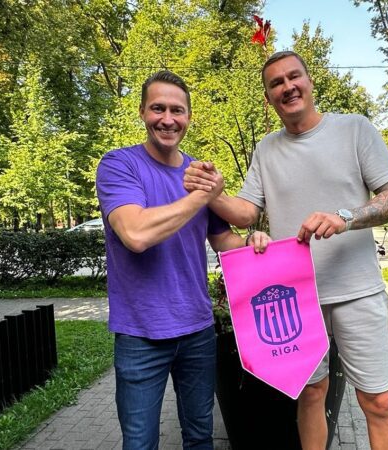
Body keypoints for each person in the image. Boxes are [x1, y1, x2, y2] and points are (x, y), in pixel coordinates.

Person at [184, 51, 388, 450]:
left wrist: (346, 217)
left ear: (309, 81)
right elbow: (247, 212)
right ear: (268, 97)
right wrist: (214, 193)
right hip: (295, 299)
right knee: (311, 394)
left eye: (293, 77)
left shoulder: (355, 129)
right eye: (276, 83)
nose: (287, 87)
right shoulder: (266, 149)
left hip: (357, 290)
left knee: (377, 401)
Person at [96, 70, 268, 450]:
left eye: (177, 110)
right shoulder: (119, 165)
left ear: (188, 116)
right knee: (140, 443)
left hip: (197, 330)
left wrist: (252, 242)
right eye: (157, 108)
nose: (168, 119)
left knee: (200, 437)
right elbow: (135, 234)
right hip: (141, 333)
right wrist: (203, 194)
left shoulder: (197, 174)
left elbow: (223, 240)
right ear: (142, 112)